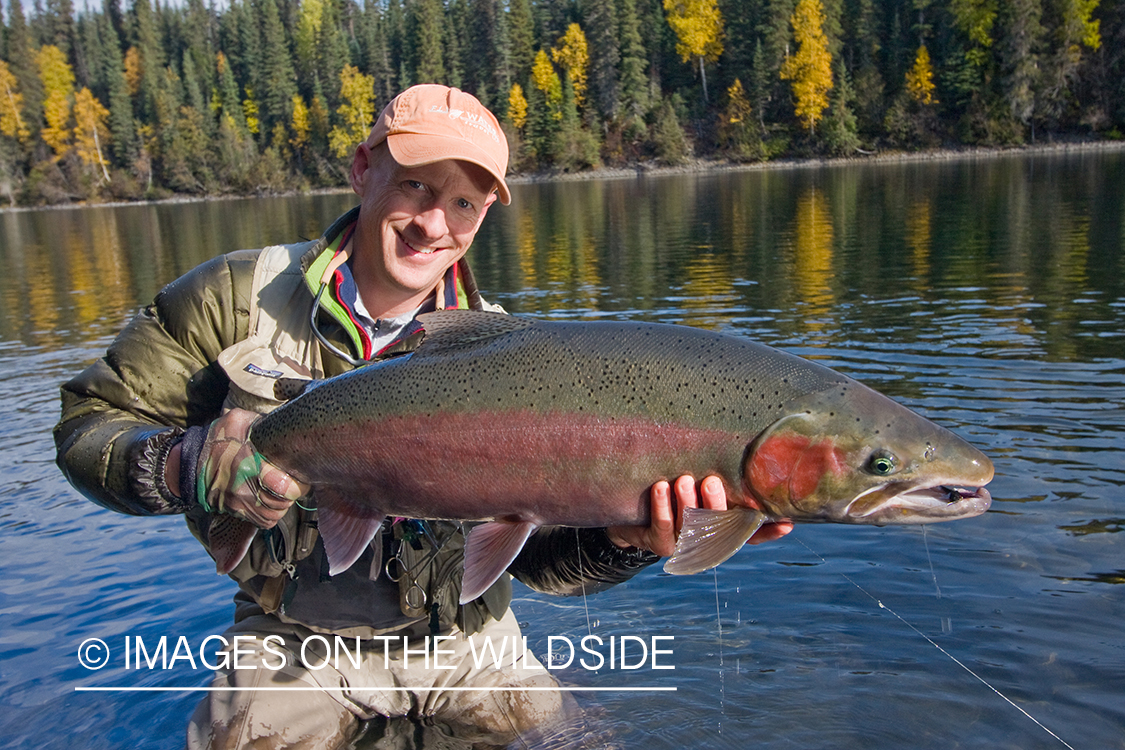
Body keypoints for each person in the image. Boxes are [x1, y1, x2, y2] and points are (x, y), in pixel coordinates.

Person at [54, 85, 792, 749]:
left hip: (468, 639)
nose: (435, 222)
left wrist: (626, 542)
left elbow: (538, 564)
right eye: (415, 185)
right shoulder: (230, 298)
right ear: (361, 168)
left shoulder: (510, 350)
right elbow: (89, 425)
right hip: (290, 642)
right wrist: (183, 466)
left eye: (466, 203)